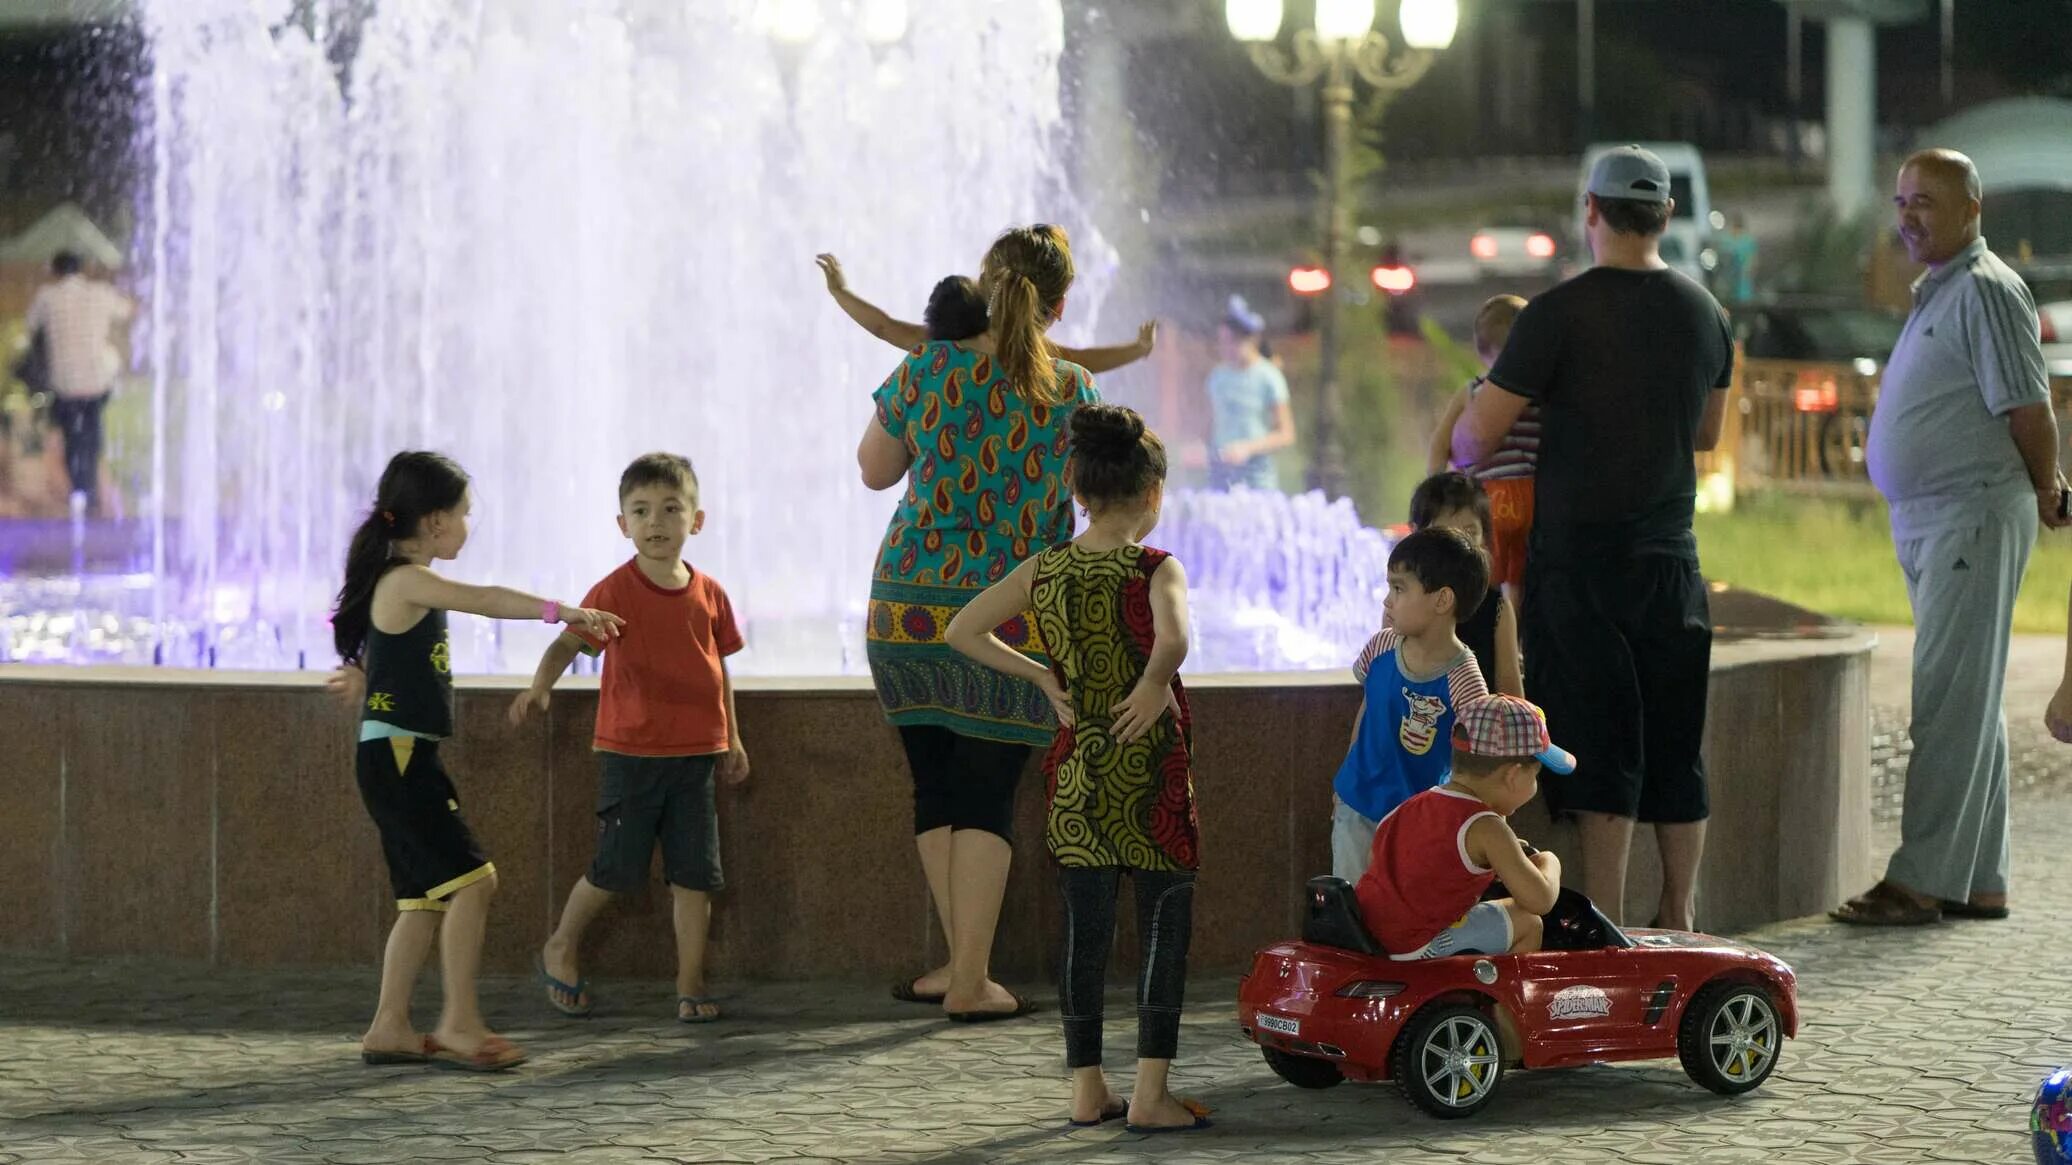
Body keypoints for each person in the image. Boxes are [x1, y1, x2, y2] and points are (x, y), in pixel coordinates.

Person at [1451, 145, 1734, 932]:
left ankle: (1604, 921)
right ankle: (1679, 910)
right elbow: (1705, 434)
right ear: (1666, 217)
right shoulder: (1705, 313)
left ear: (1591, 211)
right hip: (1672, 561)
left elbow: (1475, 445)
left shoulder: (1556, 316)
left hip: (1578, 566)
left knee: (1603, 747)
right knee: (1677, 742)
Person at [857, 224, 1097, 1021]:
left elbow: (874, 470)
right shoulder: (1070, 388)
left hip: (906, 603)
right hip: (1012, 614)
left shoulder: (927, 367)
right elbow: (1099, 501)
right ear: (1059, 305)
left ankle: (962, 967)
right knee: (988, 793)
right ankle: (968, 978)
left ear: (985, 281)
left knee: (936, 782)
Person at [946, 402, 1207, 1134]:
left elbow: (961, 628)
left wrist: (1037, 675)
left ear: (1079, 494)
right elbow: (1177, 635)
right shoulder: (1157, 566)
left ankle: (1086, 1087)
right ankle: (1150, 1094)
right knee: (1162, 929)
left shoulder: (1046, 567)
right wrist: (1155, 682)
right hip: (1151, 774)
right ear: (1152, 493)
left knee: (1083, 935)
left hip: (1077, 779)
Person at [1831, 149, 2071, 927]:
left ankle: (1921, 879)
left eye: (1925, 202)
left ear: (1972, 209)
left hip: (1970, 513)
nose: (1908, 216)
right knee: (1968, 698)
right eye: (1901, 201)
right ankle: (1978, 877)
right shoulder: (1944, 291)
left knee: (1943, 703)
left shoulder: (1988, 290)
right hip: (1937, 518)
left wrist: (2045, 487)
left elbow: (2027, 407)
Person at [327, 450, 623, 1071]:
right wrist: (562, 611)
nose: (467, 526)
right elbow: (484, 598)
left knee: (424, 898)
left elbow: (391, 654)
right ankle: (459, 1022)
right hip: (401, 757)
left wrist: (366, 678)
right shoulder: (406, 579)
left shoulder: (399, 581)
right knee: (474, 882)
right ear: (434, 522)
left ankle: (390, 1025)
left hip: (395, 754)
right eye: (463, 515)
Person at [510, 452, 748, 1022]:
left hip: (696, 758)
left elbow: (719, 668)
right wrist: (541, 687)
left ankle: (690, 981)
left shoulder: (710, 594)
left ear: (697, 520)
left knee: (696, 876)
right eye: (641, 511)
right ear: (623, 525)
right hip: (632, 754)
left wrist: (732, 738)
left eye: (671, 508)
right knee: (616, 866)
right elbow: (570, 643)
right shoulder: (615, 592)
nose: (656, 522)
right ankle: (561, 944)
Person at [1353, 694, 1573, 958]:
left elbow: (1383, 862)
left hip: (1373, 939)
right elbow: (1540, 901)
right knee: (1527, 922)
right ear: (1513, 776)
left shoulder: (1408, 807)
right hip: (1415, 950)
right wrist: (1550, 862)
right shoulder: (1487, 827)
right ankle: (1499, 1000)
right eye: (1535, 776)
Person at [1330, 526, 1491, 882]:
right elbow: (1368, 708)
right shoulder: (1381, 647)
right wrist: (1346, 775)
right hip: (1358, 802)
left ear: (1442, 600)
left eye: (1399, 588)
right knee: (1354, 906)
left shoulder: (1464, 678)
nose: (1387, 601)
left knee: (1403, 914)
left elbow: (1476, 760)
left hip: (1419, 821)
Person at [815, 250, 1156, 373]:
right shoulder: (1041, 360)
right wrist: (1137, 350)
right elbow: (1087, 362)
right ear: (1056, 307)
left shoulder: (942, 350)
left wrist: (841, 293)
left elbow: (884, 327)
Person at [1427, 295, 1535, 612]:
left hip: (1488, 499)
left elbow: (1440, 442)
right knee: (1520, 577)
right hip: (1534, 496)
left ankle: (1489, 632)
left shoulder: (1474, 389)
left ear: (1481, 349)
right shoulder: (1541, 392)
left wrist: (1438, 491)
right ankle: (1516, 644)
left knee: (1483, 571)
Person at [24, 250, 132, 515]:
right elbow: (127, 311)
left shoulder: (47, 297)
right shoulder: (100, 292)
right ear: (81, 269)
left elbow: (31, 326)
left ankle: (80, 489)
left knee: (73, 435)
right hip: (97, 378)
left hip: (65, 381)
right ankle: (92, 485)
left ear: (56, 271)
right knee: (92, 431)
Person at [1409, 471, 1523, 698]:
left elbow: (1512, 697)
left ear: (1485, 538)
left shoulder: (1497, 609)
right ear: (1417, 535)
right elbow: (1384, 684)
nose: (1459, 545)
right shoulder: (1403, 604)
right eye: (1445, 533)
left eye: (1470, 532)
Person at [1204, 295, 1295, 490]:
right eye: (1222, 342)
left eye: (1232, 342)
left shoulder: (1269, 377)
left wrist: (1247, 448)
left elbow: (1286, 433)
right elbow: (1209, 428)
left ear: (1250, 339)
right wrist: (1202, 451)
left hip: (1257, 481)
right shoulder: (1217, 377)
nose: (1226, 349)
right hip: (1221, 479)